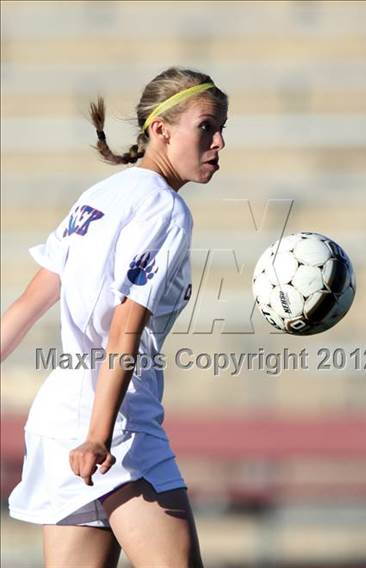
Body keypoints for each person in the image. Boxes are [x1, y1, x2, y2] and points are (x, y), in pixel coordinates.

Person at [1, 66, 228, 568]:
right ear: (161, 130)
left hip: (57, 419)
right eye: (207, 126)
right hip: (114, 423)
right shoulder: (165, 210)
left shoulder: (98, 197)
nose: (219, 142)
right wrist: (100, 435)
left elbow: (24, 307)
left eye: (222, 128)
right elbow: (125, 329)